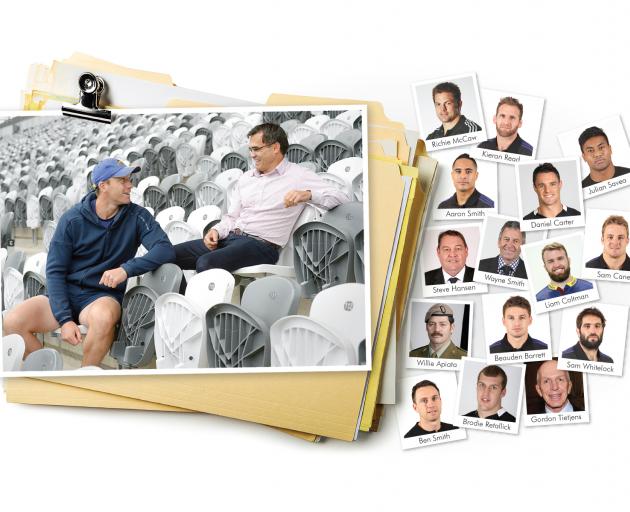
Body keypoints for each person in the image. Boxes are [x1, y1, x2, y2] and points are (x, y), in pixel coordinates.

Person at [2, 158, 175, 367]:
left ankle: (82, 379)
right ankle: (49, 371)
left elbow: (165, 249)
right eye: (122, 180)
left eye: (130, 179)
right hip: (66, 293)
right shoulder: (72, 219)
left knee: (104, 317)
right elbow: (55, 272)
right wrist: (65, 320)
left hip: (101, 297)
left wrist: (126, 269)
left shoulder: (137, 216)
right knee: (12, 322)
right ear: (103, 186)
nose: (130, 185)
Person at [173, 123, 350, 273]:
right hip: (231, 238)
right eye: (250, 149)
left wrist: (308, 194)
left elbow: (343, 198)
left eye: (256, 149)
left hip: (262, 246)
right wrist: (217, 231)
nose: (252, 154)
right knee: (168, 256)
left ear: (275, 148)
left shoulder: (298, 175)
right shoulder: (245, 178)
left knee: (205, 263)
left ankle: (208, 312)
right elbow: (232, 217)